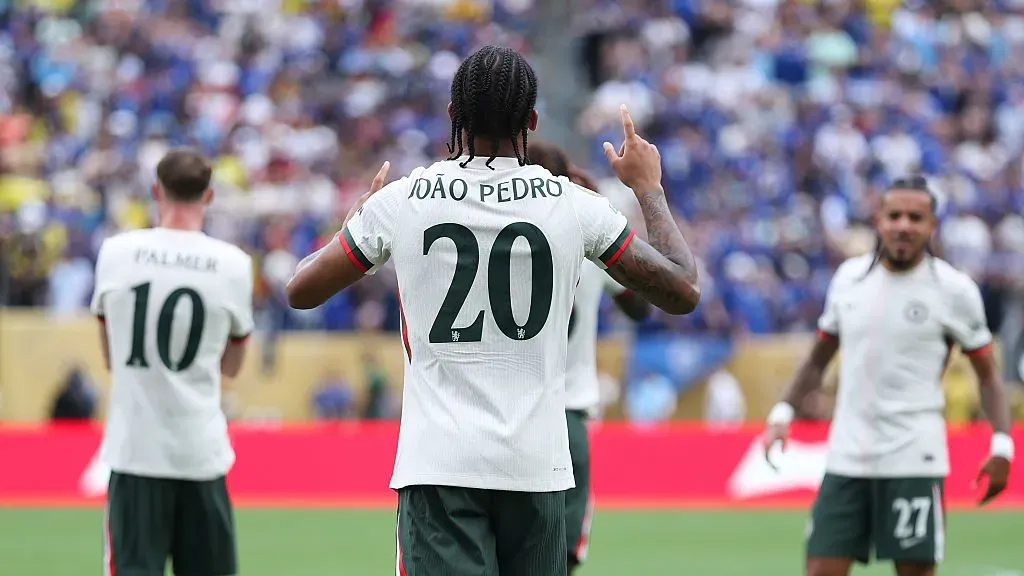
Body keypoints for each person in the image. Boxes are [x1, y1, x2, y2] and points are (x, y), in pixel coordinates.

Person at [285, 45, 701, 576]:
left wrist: (353, 224)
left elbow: (300, 290)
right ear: (531, 121)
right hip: (537, 466)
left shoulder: (403, 200)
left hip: (438, 466)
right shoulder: (574, 205)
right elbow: (683, 289)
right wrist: (648, 188)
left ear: (452, 115)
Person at [762, 175, 1014, 576]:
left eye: (916, 217)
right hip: (847, 456)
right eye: (894, 215)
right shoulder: (849, 279)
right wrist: (782, 413)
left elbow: (988, 375)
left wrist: (1002, 446)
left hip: (914, 457)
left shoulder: (954, 290)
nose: (903, 225)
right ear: (878, 220)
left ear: (932, 225)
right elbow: (817, 360)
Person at [90, 149, 254, 576]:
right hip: (199, 452)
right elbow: (232, 366)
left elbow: (111, 355)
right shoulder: (233, 264)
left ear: (155, 191)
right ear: (209, 195)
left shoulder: (117, 253)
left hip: (134, 451)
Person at [529, 141, 651, 574]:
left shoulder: (493, 238)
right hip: (567, 412)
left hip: (505, 409)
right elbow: (641, 305)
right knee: (559, 555)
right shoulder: (587, 238)